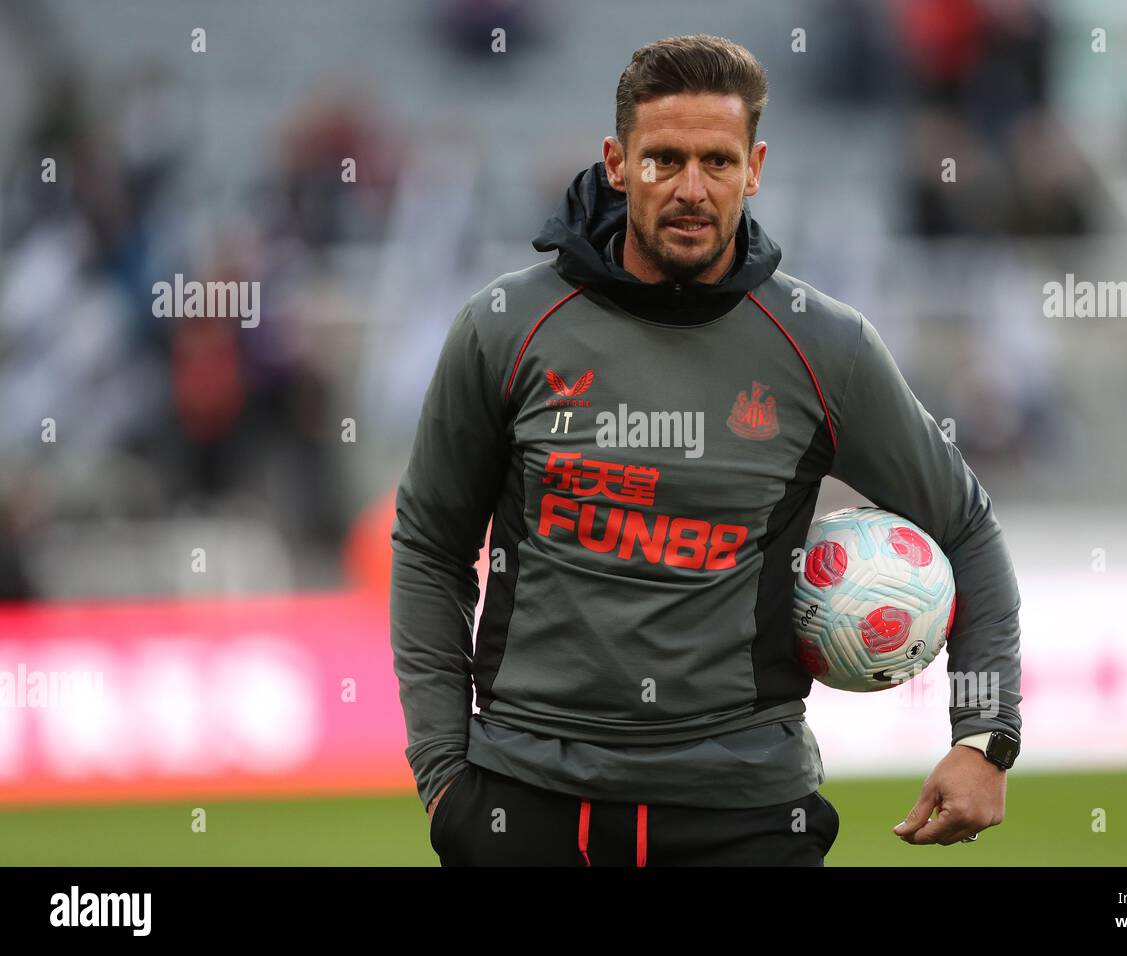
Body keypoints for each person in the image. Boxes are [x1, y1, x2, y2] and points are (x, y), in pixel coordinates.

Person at [390, 34, 1022, 866]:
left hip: (748, 812)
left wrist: (983, 735)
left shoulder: (823, 346)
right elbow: (431, 545)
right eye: (664, 160)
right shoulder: (506, 329)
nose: (692, 189)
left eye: (717, 163)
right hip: (529, 802)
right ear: (617, 163)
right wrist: (441, 770)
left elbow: (967, 530)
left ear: (754, 168)